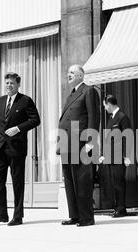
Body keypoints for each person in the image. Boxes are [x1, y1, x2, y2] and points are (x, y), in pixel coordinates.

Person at [0, 72, 40, 226]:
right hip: (1, 148)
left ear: (18, 84)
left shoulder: (25, 100)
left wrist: (18, 128)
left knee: (17, 182)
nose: (8, 85)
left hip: (17, 148)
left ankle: (18, 216)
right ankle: (0, 214)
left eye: (11, 83)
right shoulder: (0, 101)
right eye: (7, 83)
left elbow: (35, 120)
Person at [57, 65, 100, 227]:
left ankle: (87, 218)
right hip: (67, 143)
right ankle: (75, 215)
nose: (68, 75)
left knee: (82, 181)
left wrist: (91, 141)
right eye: (68, 72)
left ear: (81, 76)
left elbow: (94, 117)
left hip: (82, 143)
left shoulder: (88, 91)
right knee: (69, 181)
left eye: (72, 73)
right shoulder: (72, 94)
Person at [99, 94, 132, 218]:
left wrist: (126, 156)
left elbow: (127, 137)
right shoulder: (111, 117)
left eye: (105, 106)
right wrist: (103, 154)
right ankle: (117, 207)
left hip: (119, 156)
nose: (104, 108)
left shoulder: (122, 117)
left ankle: (121, 208)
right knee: (114, 183)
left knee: (119, 183)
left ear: (110, 104)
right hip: (111, 157)